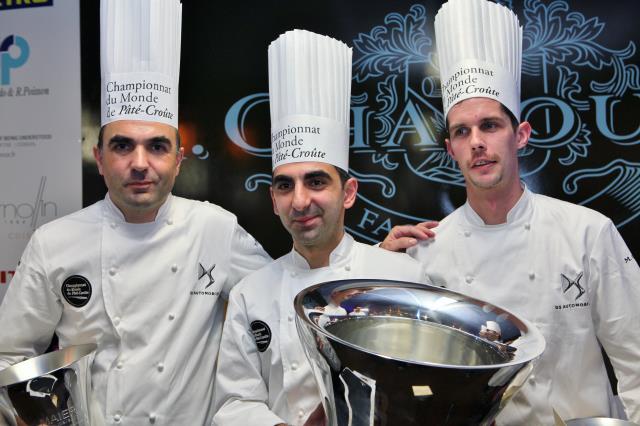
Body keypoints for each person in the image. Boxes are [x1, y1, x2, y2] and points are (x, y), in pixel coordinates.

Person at [0, 1, 271, 424]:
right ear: (100, 157)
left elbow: (281, 297)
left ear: (178, 159)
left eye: (157, 146)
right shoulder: (54, 243)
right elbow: (11, 352)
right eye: (123, 145)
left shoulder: (214, 228)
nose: (140, 162)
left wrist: (351, 260)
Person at [380, 0, 640, 424]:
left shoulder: (587, 232)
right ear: (451, 150)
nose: (477, 142)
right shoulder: (429, 254)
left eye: (490, 126)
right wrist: (381, 265)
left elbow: (637, 355)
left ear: (520, 135)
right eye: (462, 132)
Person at [212, 29, 430, 426]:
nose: (299, 201)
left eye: (316, 182)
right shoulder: (250, 294)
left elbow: (428, 391)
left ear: (348, 193)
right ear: (272, 201)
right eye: (285, 186)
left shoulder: (404, 278)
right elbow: (232, 405)